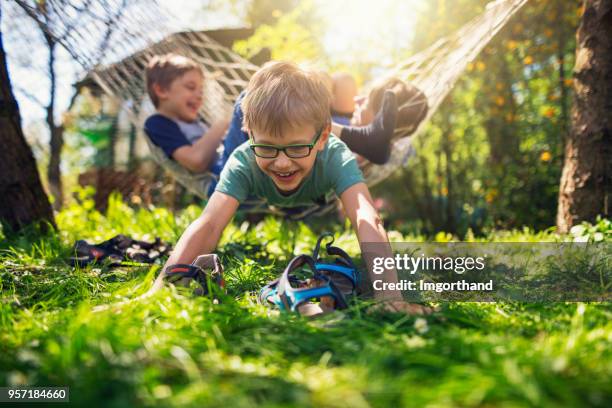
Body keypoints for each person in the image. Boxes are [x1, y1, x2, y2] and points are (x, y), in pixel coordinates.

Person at [162, 61, 428, 314]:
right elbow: (209, 223)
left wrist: (390, 296)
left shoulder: (335, 156)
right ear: (249, 134)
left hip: (309, 197)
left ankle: (367, 140)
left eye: (297, 147)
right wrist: (162, 287)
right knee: (254, 96)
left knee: (326, 87)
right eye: (267, 147)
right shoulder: (244, 159)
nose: (282, 162)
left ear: (324, 137)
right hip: (253, 187)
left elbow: (366, 217)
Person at [143, 54, 230, 174]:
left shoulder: (199, 121)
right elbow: (196, 160)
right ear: (161, 90)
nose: (200, 96)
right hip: (220, 180)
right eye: (191, 87)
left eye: (201, 90)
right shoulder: (157, 123)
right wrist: (222, 124)